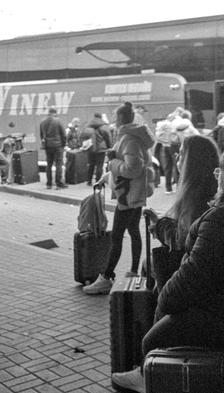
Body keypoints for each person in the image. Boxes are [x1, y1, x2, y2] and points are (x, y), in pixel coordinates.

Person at [112, 147, 224, 392]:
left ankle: (148, 376)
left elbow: (192, 278)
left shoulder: (222, 220)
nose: (216, 175)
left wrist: (164, 303)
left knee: (152, 341)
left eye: (220, 171)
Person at [83, 102, 155, 295]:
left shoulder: (128, 139)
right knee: (133, 231)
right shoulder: (134, 137)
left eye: (115, 118)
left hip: (127, 196)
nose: (113, 122)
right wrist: (105, 177)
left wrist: (113, 160)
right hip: (134, 193)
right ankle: (133, 271)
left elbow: (132, 169)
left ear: (121, 119)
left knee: (116, 236)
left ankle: (106, 277)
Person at [143, 135, 220, 288]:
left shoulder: (194, 198)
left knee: (148, 264)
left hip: (188, 280)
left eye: (181, 153)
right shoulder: (211, 189)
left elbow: (182, 241)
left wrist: (159, 225)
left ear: (191, 162)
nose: (176, 157)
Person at [40, 107, 67, 190]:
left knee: (49, 164)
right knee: (58, 164)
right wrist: (63, 144)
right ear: (55, 112)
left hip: (48, 146)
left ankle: (49, 184)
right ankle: (59, 184)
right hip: (57, 145)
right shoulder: (58, 121)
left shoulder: (42, 121)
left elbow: (41, 135)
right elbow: (64, 135)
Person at [85, 112, 112, 186]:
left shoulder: (88, 125)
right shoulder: (104, 126)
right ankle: (98, 182)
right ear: (101, 118)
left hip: (90, 148)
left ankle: (89, 181)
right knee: (99, 166)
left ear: (94, 116)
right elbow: (108, 137)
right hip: (101, 149)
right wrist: (110, 147)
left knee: (91, 165)